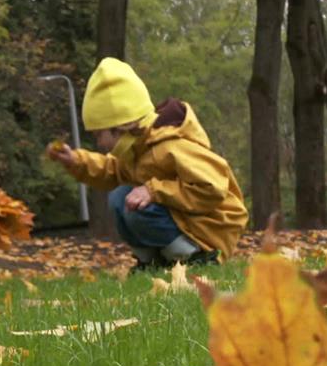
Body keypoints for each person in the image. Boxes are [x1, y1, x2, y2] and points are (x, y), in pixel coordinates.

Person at [46, 57, 248, 267]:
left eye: (99, 134)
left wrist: (153, 191)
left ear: (120, 126)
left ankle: (195, 257)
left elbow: (212, 187)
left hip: (210, 227)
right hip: (185, 218)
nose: (99, 142)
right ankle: (150, 262)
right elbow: (111, 169)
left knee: (138, 204)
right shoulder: (136, 148)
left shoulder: (172, 145)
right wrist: (75, 160)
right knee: (120, 197)